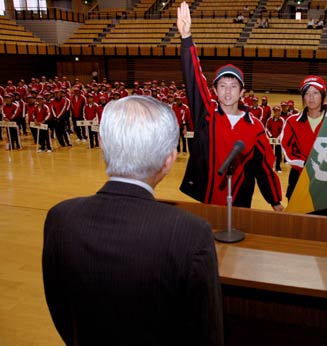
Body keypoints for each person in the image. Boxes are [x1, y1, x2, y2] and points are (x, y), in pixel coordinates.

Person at [42, 95, 224, 346]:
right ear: (169, 161)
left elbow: (60, 310)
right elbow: (206, 333)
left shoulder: (60, 218)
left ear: (102, 144)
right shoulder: (191, 233)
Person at [177, 1, 283, 210]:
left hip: (240, 203)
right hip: (207, 200)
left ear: (242, 92)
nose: (227, 91)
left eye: (233, 86)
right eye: (222, 86)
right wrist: (186, 39)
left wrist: (275, 201)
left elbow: (264, 167)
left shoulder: (255, 128)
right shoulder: (207, 115)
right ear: (214, 91)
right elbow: (194, 79)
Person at [281, 75, 327, 216]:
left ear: (323, 95)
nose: (311, 97)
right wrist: (306, 164)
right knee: (298, 222)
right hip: (299, 178)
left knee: (324, 225)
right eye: (307, 93)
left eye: (315, 93)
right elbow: (287, 150)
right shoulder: (292, 122)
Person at [266, 105, 285, 172]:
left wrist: (278, 137)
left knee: (278, 154)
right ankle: (270, 166)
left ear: (279, 112)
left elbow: (282, 129)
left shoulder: (282, 120)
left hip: (278, 140)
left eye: (277, 111)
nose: (276, 113)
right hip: (271, 139)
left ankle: (278, 167)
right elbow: (267, 128)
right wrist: (271, 136)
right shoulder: (270, 120)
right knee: (270, 153)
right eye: (275, 111)